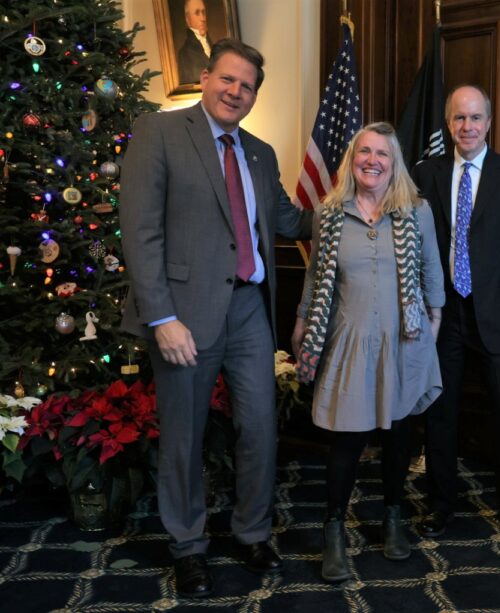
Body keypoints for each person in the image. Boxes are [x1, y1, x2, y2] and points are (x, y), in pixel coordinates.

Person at [120, 39, 311, 598]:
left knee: (259, 427)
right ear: (206, 78)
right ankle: (188, 547)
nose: (236, 92)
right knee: (185, 435)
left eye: (247, 86)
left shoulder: (259, 151)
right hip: (183, 314)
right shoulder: (158, 132)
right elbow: (140, 232)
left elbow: (287, 219)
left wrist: (360, 203)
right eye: (228, 80)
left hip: (249, 309)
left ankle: (251, 532)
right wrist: (161, 317)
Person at [291, 122, 445, 582]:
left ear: (393, 162)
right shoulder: (329, 213)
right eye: (364, 152)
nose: (372, 160)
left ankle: (393, 517)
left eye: (382, 153)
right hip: (350, 340)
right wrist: (302, 321)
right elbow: (317, 277)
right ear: (351, 160)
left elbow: (431, 269)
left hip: (405, 341)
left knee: (399, 435)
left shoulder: (417, 212)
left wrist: (434, 323)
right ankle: (333, 530)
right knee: (347, 440)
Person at [412, 84, 500, 546]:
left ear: (489, 122)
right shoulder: (425, 174)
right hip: (443, 314)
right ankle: (440, 505)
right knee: (440, 415)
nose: (467, 127)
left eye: (475, 118)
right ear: (449, 123)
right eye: (459, 118)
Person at [177, 0, 213, 84]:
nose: (203, 18)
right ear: (187, 20)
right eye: (197, 13)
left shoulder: (214, 46)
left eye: (203, 12)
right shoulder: (184, 54)